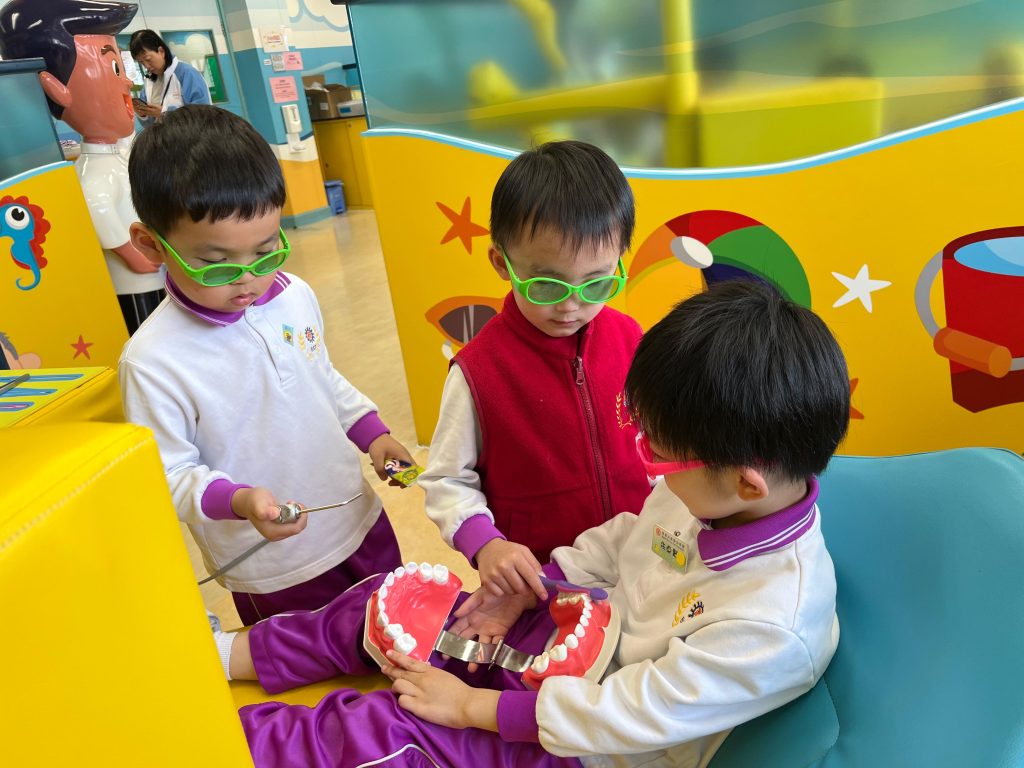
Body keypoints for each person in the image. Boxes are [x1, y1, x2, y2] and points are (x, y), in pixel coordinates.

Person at [225, 279, 851, 768]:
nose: (650, 467)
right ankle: (230, 656)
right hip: (569, 633)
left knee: (388, 735)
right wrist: (531, 589)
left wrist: (474, 708)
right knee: (392, 604)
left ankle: (207, 744)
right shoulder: (710, 494)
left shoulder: (770, 626)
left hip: (583, 741)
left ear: (747, 483)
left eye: (659, 454)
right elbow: (625, 541)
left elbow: (627, 713)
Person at [119, 105, 413, 624]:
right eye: (216, 264)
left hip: (356, 518)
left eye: (266, 251)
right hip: (273, 563)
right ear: (151, 246)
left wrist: (373, 433)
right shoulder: (152, 361)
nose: (248, 280)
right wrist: (237, 501)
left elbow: (321, 377)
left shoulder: (294, 295)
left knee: (398, 632)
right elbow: (170, 472)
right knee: (310, 665)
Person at [419, 140, 653, 603]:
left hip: (639, 562)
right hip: (540, 586)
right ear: (501, 264)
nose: (571, 305)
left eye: (597, 283)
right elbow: (446, 480)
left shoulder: (631, 338)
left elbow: (662, 440)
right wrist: (485, 543)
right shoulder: (477, 372)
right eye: (547, 284)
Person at [0, 0, 165, 334]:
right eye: (115, 68)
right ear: (57, 90)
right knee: (144, 326)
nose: (126, 83)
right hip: (133, 279)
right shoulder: (94, 170)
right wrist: (132, 255)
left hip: (156, 268)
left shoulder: (120, 154)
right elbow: (96, 207)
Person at [129, 29, 211, 126]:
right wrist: (143, 114)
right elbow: (150, 124)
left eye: (148, 59)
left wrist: (165, 114)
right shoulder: (149, 81)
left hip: (191, 136)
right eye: (141, 62)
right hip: (163, 135)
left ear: (161, 51)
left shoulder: (187, 73)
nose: (146, 66)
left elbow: (203, 115)